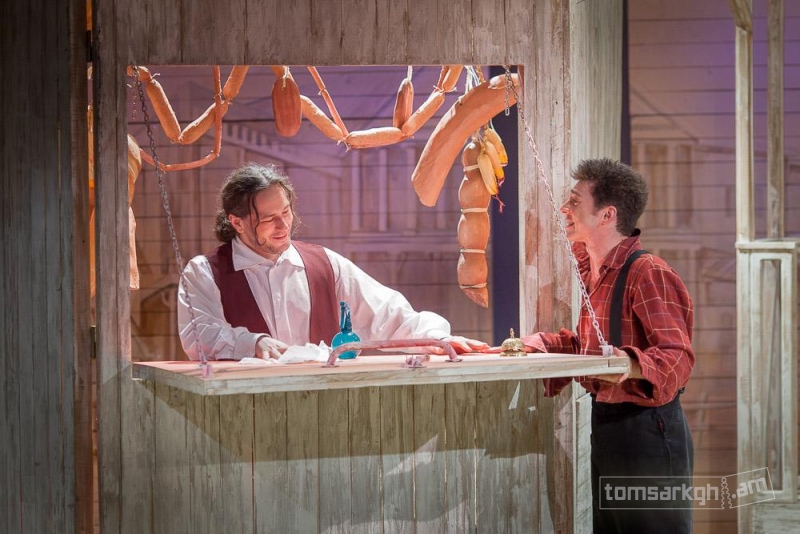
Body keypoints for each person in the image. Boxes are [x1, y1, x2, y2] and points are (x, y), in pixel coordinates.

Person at [520, 159, 695, 533]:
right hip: (608, 425)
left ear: (607, 215)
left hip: (648, 430)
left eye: (574, 201)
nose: (564, 209)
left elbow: (676, 358)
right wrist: (532, 346)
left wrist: (626, 364)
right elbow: (592, 346)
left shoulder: (648, 271)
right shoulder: (596, 272)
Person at [178, 162, 488, 361]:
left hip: (322, 408)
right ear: (237, 222)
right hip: (245, 414)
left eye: (286, 212)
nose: (283, 225)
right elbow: (198, 333)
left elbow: (387, 313)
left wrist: (438, 338)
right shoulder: (204, 272)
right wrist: (253, 343)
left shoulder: (323, 263)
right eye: (269, 218)